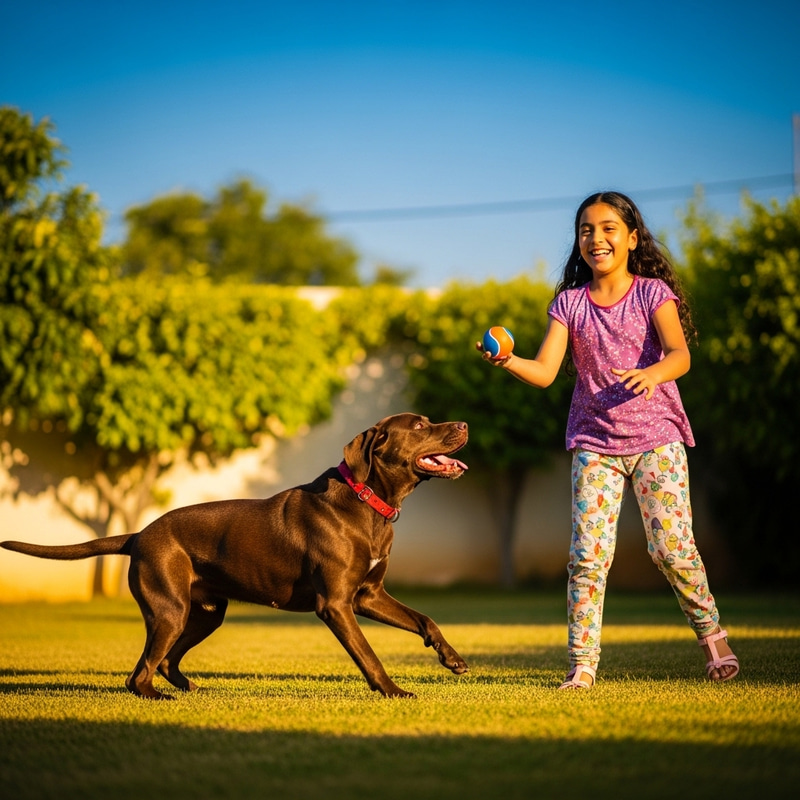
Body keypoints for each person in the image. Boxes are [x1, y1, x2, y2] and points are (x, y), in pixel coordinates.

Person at [477, 191, 739, 689]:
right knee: (588, 556)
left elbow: (680, 354)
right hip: (594, 443)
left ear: (632, 238)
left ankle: (713, 637)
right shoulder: (570, 304)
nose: (596, 238)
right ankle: (582, 664)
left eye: (608, 228)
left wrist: (652, 374)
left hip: (657, 437)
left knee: (671, 548)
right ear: (578, 243)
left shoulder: (651, 293)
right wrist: (507, 361)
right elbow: (547, 371)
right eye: (586, 230)